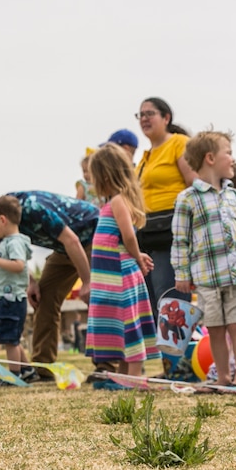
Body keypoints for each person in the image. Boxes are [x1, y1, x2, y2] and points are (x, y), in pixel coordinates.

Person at [0, 190, 97, 379]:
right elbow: (17, 257)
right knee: (45, 299)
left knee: (98, 298)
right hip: (64, 249)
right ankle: (43, 369)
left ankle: (106, 366)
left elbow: (72, 239)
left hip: (91, 236)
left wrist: (87, 281)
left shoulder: (31, 206)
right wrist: (31, 283)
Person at [171, 131, 236, 389]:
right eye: (227, 152)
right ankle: (223, 377)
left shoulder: (234, 197)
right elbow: (180, 240)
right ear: (210, 158)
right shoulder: (188, 199)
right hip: (207, 278)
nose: (232, 158)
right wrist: (182, 274)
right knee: (216, 328)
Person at [84, 143, 158, 390]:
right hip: (114, 273)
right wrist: (138, 254)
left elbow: (127, 235)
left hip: (121, 274)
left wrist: (137, 256)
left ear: (105, 175)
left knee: (128, 322)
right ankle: (124, 377)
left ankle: (134, 378)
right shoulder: (115, 201)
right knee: (121, 323)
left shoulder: (117, 201)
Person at [136, 97, 196, 306]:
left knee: (169, 298)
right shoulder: (146, 156)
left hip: (171, 235)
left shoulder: (178, 143)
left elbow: (193, 184)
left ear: (166, 118)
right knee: (150, 300)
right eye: (140, 115)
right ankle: (159, 340)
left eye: (149, 113)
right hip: (147, 236)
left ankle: (175, 340)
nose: (144, 118)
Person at [0, 196, 36, 386]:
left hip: (10, 297)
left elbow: (18, 265)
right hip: (11, 297)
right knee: (14, 337)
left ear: (3, 220)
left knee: (9, 339)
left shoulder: (14, 242)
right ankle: (26, 369)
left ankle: (13, 375)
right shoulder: (10, 242)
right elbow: (10, 257)